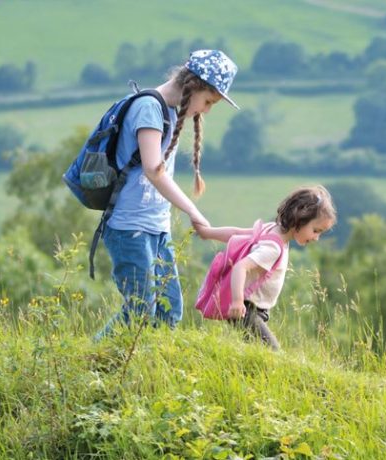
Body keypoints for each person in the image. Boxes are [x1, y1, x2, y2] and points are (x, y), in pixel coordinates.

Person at [95, 49, 240, 340]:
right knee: (140, 310)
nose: (207, 110)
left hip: (156, 229)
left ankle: (147, 370)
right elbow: (154, 170)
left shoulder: (169, 113)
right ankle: (93, 359)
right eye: (209, 101)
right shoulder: (149, 108)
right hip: (128, 228)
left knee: (169, 310)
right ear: (194, 86)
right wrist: (193, 211)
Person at [195, 186, 337, 351]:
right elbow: (240, 267)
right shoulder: (273, 248)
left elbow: (236, 233)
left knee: (256, 350)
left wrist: (208, 233)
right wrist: (237, 301)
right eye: (315, 231)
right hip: (247, 309)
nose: (316, 238)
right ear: (300, 220)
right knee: (273, 353)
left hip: (255, 309)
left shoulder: (271, 229)